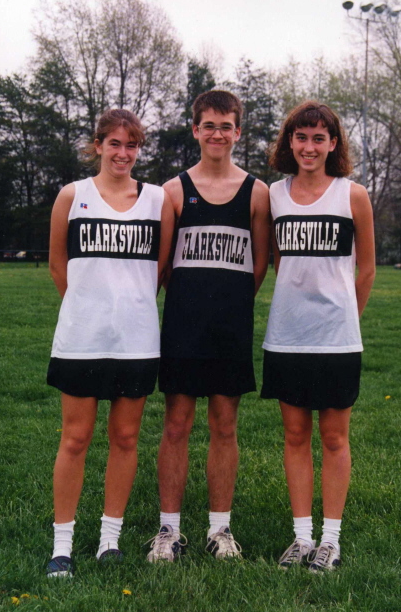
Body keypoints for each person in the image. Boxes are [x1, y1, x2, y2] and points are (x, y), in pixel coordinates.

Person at [46, 108, 174, 577]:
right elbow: (58, 266)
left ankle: (109, 540)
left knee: (125, 438)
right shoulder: (72, 195)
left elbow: (159, 269)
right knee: (75, 438)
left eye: (132, 145)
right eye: (115, 143)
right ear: (98, 144)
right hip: (82, 339)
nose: (123, 153)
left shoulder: (157, 200)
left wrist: (128, 307)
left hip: (137, 342)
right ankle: (62, 545)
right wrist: (89, 308)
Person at [146, 90, 270, 562]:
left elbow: (258, 266)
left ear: (238, 132)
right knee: (176, 424)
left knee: (224, 424)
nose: (218, 134)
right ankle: (168, 530)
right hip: (184, 327)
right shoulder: (174, 191)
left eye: (226, 126)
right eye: (209, 126)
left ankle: (220, 529)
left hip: (229, 329)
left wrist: (227, 305)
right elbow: (163, 267)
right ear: (195, 129)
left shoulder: (256, 193)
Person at [261, 101, 376, 572]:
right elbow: (278, 261)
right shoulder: (274, 195)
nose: (309, 147)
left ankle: (330, 540)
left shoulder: (353, 195)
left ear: (333, 144)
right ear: (290, 142)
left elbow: (366, 270)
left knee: (333, 438)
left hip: (337, 340)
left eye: (319, 138)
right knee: (294, 436)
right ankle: (302, 537)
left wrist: (344, 317)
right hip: (287, 337)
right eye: (301, 137)